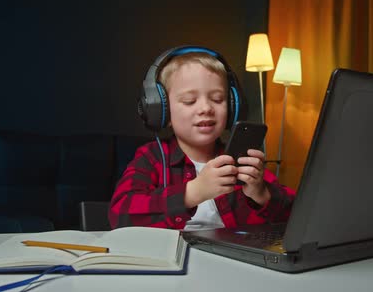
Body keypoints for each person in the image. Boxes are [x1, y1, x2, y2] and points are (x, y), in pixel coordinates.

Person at [109, 46, 295, 230]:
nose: (206, 108)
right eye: (189, 101)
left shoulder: (241, 160)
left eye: (217, 99)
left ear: (232, 107)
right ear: (161, 111)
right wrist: (193, 192)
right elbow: (120, 215)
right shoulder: (152, 157)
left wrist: (263, 194)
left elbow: (298, 214)